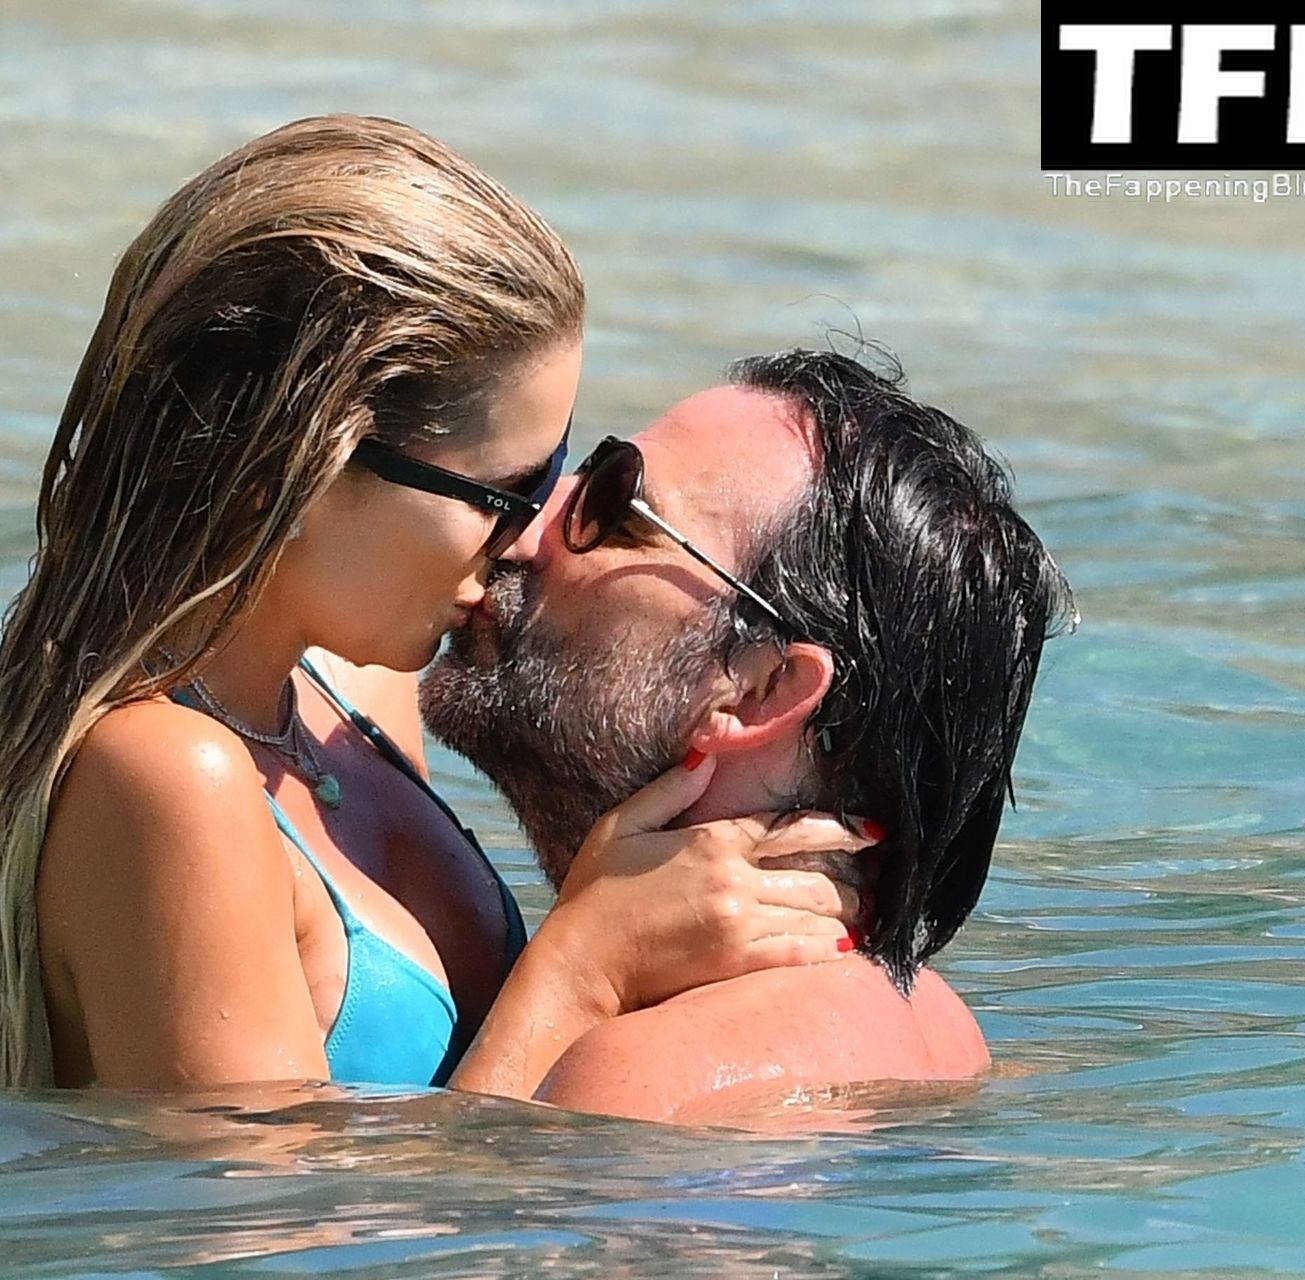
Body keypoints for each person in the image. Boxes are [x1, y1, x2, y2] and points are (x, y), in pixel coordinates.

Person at [0, 116, 869, 1094]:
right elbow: (254, 1196)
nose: (529, 532)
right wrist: (586, 966)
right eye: (506, 490)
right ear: (302, 465)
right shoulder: (170, 780)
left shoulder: (345, 694)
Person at [421, 349, 1075, 1124]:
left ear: (761, 688)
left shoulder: (641, 1072)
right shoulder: (941, 1026)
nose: (524, 524)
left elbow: (455, 1204)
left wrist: (577, 976)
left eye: (615, 507)